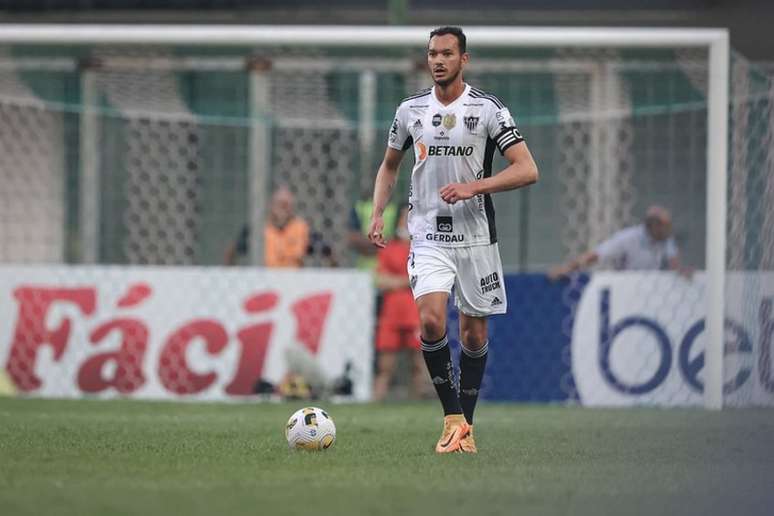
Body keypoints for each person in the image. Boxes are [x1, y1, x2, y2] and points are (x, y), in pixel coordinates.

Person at [368, 26, 539, 453]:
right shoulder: (410, 110)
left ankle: (468, 426)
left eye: (447, 53)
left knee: (474, 336)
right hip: (427, 232)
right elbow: (390, 166)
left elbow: (527, 169)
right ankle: (451, 419)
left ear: (464, 59)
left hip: (476, 236)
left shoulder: (487, 110)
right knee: (429, 319)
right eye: (432, 54)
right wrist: (377, 213)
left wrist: (474, 187)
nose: (438, 60)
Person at [548, 205, 692, 279]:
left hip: (650, 288)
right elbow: (597, 255)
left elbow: (674, 263)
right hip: (627, 287)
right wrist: (567, 269)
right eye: (663, 226)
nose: (667, 230)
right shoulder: (628, 238)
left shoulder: (666, 240)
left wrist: (681, 272)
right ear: (653, 225)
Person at [372, 204, 426, 402]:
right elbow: (381, 280)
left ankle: (417, 406)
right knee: (385, 366)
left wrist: (397, 281)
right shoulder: (389, 249)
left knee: (419, 364)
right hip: (392, 314)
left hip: (415, 313)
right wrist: (407, 281)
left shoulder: (423, 249)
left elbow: (423, 279)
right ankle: (375, 403)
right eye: (404, 218)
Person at [224, 185, 310, 268]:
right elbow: (232, 252)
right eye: (280, 204)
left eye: (287, 205)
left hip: (293, 278)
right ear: (271, 205)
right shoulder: (257, 228)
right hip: (265, 278)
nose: (283, 209)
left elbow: (321, 249)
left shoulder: (301, 228)